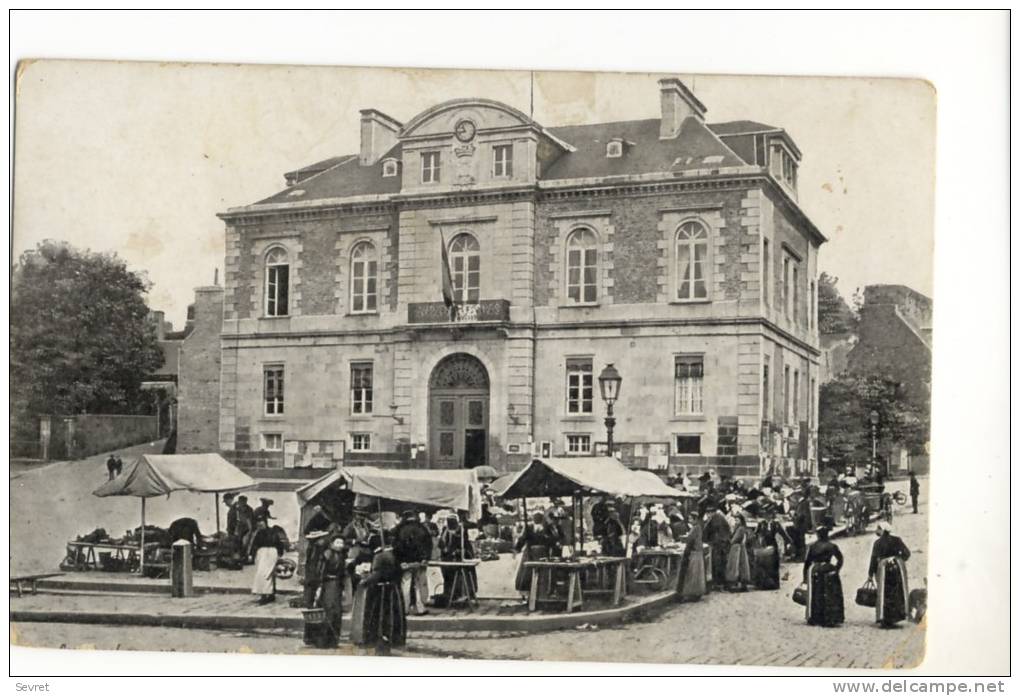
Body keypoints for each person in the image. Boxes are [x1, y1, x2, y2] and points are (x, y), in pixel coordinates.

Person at [349, 546, 407, 651]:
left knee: (379, 616)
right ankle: (393, 638)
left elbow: (377, 575)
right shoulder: (393, 557)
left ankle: (379, 638)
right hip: (393, 590)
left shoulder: (380, 557)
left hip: (381, 592)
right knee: (392, 616)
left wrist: (363, 581)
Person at [869, 521, 911, 627]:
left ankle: (884, 617)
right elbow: (907, 553)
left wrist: (870, 573)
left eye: (878, 529)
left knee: (884, 592)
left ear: (882, 530)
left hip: (883, 569)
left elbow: (873, 559)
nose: (876, 531)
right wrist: (898, 559)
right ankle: (897, 615)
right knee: (896, 592)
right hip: (896, 569)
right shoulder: (897, 540)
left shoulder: (877, 543)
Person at [392, 509, 433, 616]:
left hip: (405, 561)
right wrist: (425, 558)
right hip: (420, 560)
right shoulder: (422, 528)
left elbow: (396, 546)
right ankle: (420, 608)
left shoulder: (399, 529)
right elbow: (428, 544)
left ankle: (404, 608)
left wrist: (399, 560)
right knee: (419, 585)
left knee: (405, 584)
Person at [803, 525, 845, 627]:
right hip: (828, 569)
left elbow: (807, 562)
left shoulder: (813, 546)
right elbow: (840, 559)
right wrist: (836, 569)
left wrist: (805, 576)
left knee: (816, 594)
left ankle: (815, 617)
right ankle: (831, 617)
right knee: (830, 594)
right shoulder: (832, 546)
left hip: (816, 570)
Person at [316, 536, 347, 647]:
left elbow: (343, 574)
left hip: (337, 586)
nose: (339, 545)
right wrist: (319, 586)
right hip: (328, 584)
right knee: (328, 611)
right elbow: (320, 571)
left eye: (341, 543)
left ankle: (333, 640)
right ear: (332, 543)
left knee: (337, 612)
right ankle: (323, 640)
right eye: (337, 542)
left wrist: (343, 588)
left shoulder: (342, 556)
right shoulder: (327, 554)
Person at [438, 513, 476, 604]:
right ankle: (450, 595)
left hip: (461, 556)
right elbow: (441, 543)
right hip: (448, 557)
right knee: (448, 577)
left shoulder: (462, 530)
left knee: (462, 577)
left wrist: (458, 551)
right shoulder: (445, 530)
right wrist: (444, 548)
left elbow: (465, 544)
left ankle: (464, 595)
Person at [250, 518, 285, 605]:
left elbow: (279, 543)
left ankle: (267, 594)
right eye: (259, 524)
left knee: (267, 573)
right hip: (262, 553)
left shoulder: (273, 532)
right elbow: (255, 545)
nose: (260, 525)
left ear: (265, 523)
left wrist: (280, 553)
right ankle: (265, 594)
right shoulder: (258, 533)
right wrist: (252, 554)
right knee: (261, 573)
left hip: (271, 553)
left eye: (262, 523)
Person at [754, 514, 793, 590]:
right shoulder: (761, 524)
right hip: (764, 545)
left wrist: (789, 542)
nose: (767, 517)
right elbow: (756, 534)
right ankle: (763, 584)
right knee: (764, 564)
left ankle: (774, 584)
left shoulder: (776, 524)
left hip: (773, 545)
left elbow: (783, 534)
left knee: (773, 565)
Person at [676, 511, 706, 602]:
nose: (689, 520)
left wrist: (681, 537)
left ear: (695, 519)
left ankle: (691, 593)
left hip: (694, 553)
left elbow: (689, 538)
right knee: (697, 573)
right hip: (698, 552)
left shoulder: (695, 528)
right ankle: (697, 593)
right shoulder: (697, 527)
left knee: (692, 573)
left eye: (690, 519)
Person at [703, 504, 731, 589]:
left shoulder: (716, 519)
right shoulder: (719, 518)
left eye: (709, 513)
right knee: (720, 563)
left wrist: (711, 542)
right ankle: (721, 582)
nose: (708, 515)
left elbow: (712, 532)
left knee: (717, 563)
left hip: (718, 544)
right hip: (721, 543)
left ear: (712, 512)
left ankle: (718, 583)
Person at [302, 530, 331, 609]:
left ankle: (313, 604)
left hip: (316, 570)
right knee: (313, 587)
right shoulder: (315, 548)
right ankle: (312, 604)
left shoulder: (316, 548)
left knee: (315, 588)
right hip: (315, 570)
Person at [724, 515, 753, 592]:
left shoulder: (740, 529)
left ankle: (734, 584)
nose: (736, 522)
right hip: (742, 548)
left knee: (735, 566)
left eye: (737, 520)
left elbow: (734, 540)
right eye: (735, 520)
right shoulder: (743, 528)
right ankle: (743, 585)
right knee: (742, 566)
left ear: (740, 521)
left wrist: (729, 540)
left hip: (737, 549)